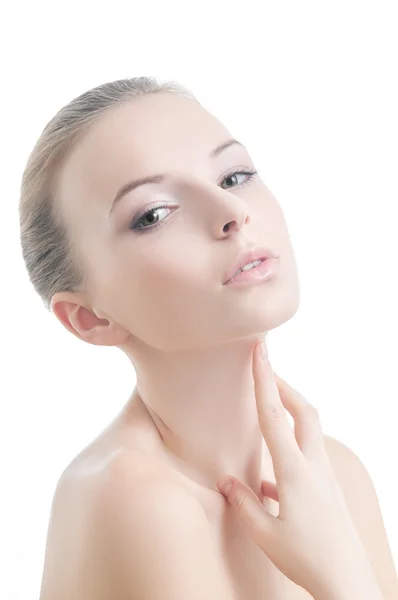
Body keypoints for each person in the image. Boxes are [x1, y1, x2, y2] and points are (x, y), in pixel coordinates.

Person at [19, 76, 397, 600]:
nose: (231, 214)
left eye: (234, 175)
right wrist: (343, 578)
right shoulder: (128, 497)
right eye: (153, 214)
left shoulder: (336, 475)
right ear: (89, 319)